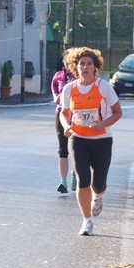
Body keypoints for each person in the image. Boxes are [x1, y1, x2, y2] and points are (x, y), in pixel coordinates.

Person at [59, 47, 122, 236]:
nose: (85, 67)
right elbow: (64, 112)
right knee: (82, 180)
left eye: (89, 64)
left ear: (95, 67)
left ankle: (98, 196)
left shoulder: (103, 87)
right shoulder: (69, 89)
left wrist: (102, 123)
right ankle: (87, 221)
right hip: (78, 139)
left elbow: (118, 112)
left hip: (102, 139)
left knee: (99, 183)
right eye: (81, 64)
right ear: (75, 67)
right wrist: (66, 126)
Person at [51, 50, 77, 194]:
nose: (66, 63)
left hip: (77, 115)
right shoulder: (58, 76)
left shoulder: (78, 76)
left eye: (69, 60)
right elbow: (54, 88)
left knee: (75, 147)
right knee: (63, 149)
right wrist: (55, 96)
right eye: (65, 61)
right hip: (61, 114)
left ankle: (74, 173)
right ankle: (63, 181)